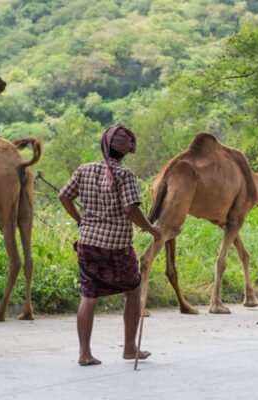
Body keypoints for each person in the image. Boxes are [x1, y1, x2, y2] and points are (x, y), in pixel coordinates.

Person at [59, 124, 162, 366]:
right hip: (117, 248)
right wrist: (151, 229)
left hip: (87, 244)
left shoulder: (84, 170)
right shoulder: (125, 175)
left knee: (89, 295)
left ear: (103, 145)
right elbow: (130, 209)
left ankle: (84, 353)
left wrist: (80, 219)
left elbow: (64, 196)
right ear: (126, 151)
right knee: (133, 290)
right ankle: (129, 347)